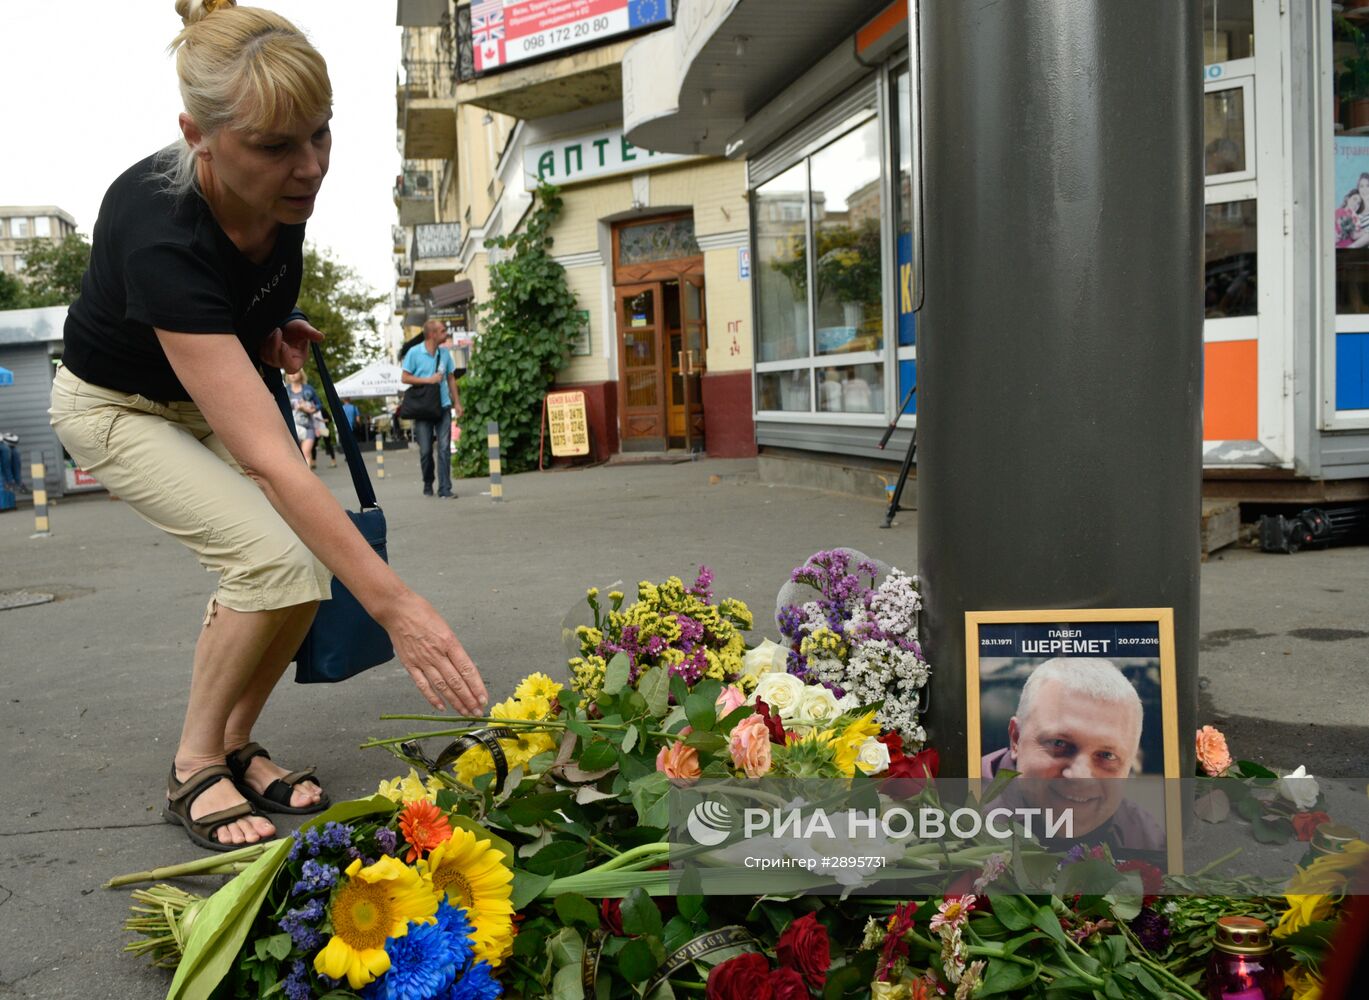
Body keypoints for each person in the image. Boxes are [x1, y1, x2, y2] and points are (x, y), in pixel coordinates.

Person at [48, 0, 486, 853]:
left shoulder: (284, 198)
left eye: (321, 134)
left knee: (302, 562)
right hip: (113, 406)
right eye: (276, 146)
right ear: (197, 134)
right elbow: (271, 467)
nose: (310, 166)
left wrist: (268, 331)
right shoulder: (153, 225)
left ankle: (233, 744)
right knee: (271, 554)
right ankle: (190, 765)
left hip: (198, 390)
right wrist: (397, 607)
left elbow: (230, 306)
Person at [981, 657, 1163, 851]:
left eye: (1107, 755)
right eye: (1059, 744)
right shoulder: (957, 815)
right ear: (1016, 739)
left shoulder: (1149, 840)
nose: (1080, 776)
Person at [401, 319, 459, 497]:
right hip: (423, 408)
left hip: (443, 406)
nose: (446, 333)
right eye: (442, 331)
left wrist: (457, 402)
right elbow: (405, 378)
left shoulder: (445, 354)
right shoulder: (414, 352)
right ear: (432, 334)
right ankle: (428, 482)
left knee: (443, 449)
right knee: (426, 451)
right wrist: (429, 380)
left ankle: (445, 489)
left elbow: (450, 378)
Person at [285, 368, 319, 468]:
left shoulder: (309, 389)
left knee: (305, 454)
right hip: (290, 428)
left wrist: (311, 409)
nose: (292, 374)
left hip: (308, 426)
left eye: (295, 372)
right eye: (289, 372)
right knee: (295, 457)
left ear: (301, 373)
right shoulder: (284, 390)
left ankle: (308, 480)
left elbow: (318, 405)